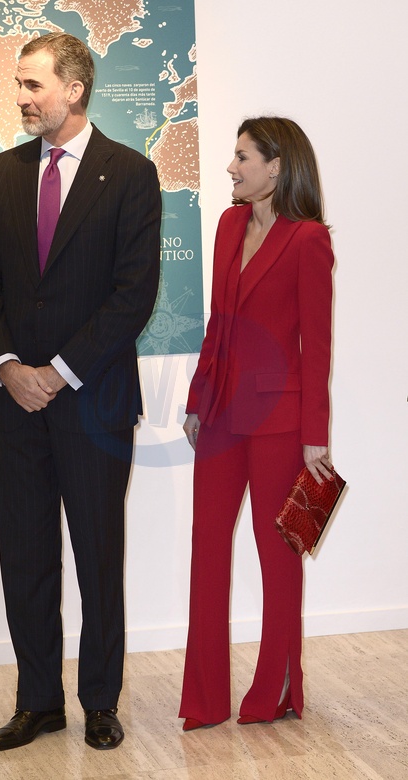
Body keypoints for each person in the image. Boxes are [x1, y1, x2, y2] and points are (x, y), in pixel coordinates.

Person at [0, 32, 161, 751]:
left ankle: (101, 702)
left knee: (98, 557)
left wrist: (58, 371)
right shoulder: (0, 174)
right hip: (16, 404)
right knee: (26, 558)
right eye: (18, 84)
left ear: (74, 89)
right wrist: (9, 366)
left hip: (94, 402)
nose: (20, 96)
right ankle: (38, 702)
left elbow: (133, 293)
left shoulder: (131, 173)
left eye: (32, 84)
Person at [178, 116, 334, 730]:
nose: (231, 167)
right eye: (234, 156)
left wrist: (315, 435)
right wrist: (197, 398)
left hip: (279, 422)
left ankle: (275, 690)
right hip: (220, 415)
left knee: (279, 557)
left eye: (243, 157)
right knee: (207, 550)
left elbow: (316, 346)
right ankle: (205, 699)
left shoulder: (308, 240)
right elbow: (217, 321)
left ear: (276, 166)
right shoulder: (227, 224)